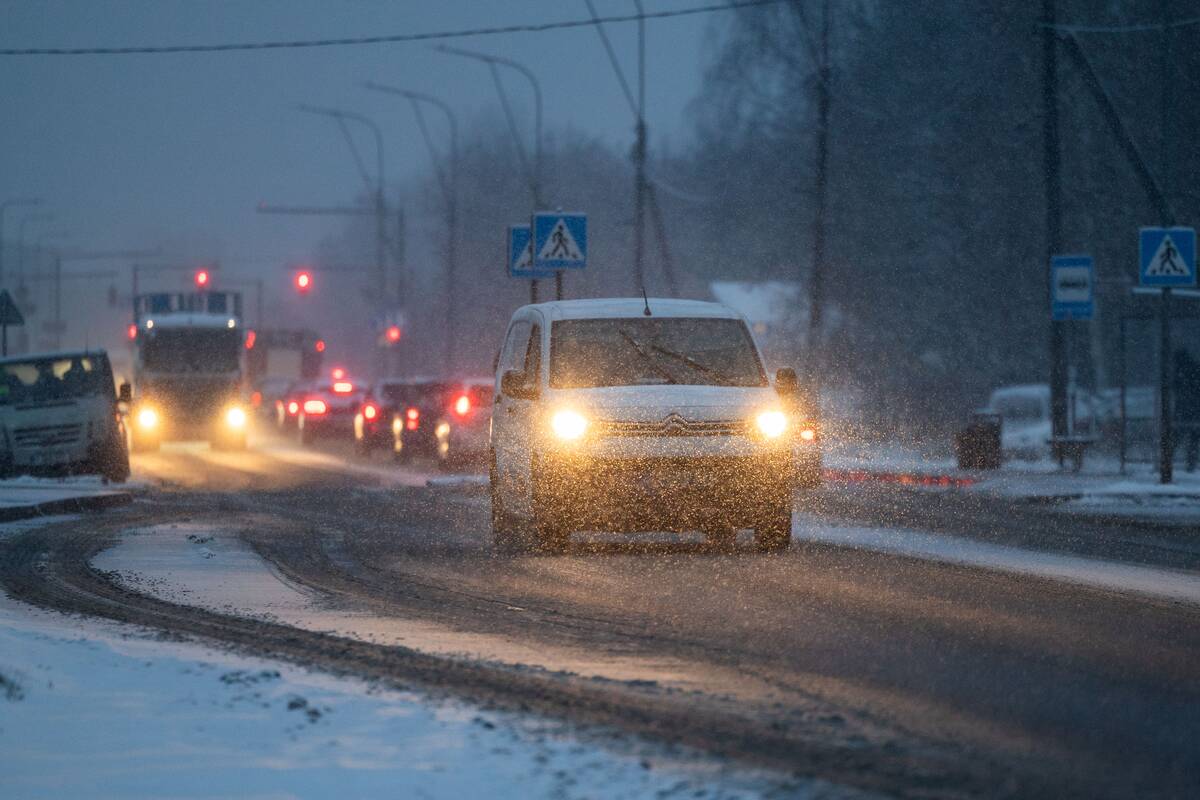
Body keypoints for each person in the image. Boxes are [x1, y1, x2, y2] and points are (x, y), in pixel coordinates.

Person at [1175, 349, 1200, 472]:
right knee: (1193, 438)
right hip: (1194, 409)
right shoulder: (1194, 369)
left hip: (1184, 410)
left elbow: (1176, 387)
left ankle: (1167, 459)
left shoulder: (1181, 372)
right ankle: (1191, 463)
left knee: (1178, 436)